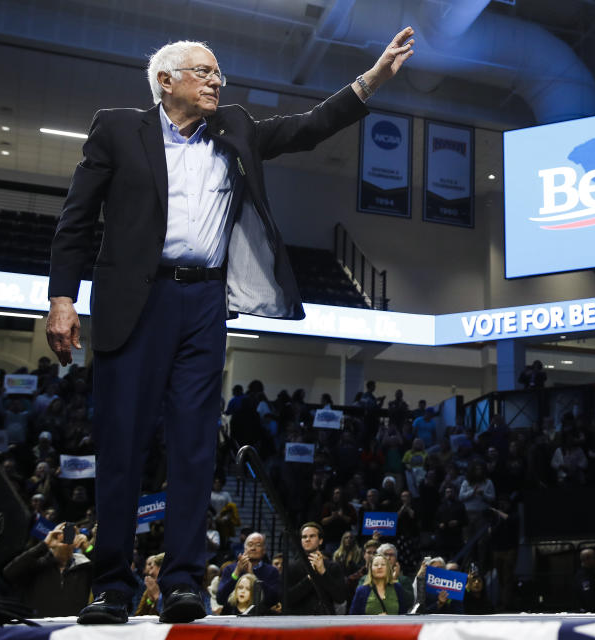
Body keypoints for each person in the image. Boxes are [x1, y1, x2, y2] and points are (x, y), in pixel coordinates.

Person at [53, 30, 416, 625]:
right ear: (166, 82)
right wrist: (62, 298)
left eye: (218, 72)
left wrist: (372, 80)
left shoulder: (237, 127)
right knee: (121, 446)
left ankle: (182, 584)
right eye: (203, 71)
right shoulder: (118, 128)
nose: (216, 80)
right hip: (134, 303)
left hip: (202, 306)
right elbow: (76, 219)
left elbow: (310, 126)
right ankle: (112, 586)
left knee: (195, 448)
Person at [2, 523, 92, 617]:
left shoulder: (85, 566)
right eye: (60, 533)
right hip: (40, 627)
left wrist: (88, 549)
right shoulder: (36, 564)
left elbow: (104, 573)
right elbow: (9, 573)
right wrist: (44, 545)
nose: (64, 536)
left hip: (73, 628)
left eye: (70, 534)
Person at [284, 522, 346, 615]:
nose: (307, 539)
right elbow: (286, 600)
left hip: (325, 620)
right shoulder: (291, 567)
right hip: (298, 621)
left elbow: (340, 598)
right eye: (304, 537)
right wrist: (310, 578)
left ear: (320, 540)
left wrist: (323, 573)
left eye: (312, 536)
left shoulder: (333, 567)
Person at [216, 532, 280, 611]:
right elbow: (220, 599)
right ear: (245, 549)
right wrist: (236, 572)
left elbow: (273, 600)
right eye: (250, 544)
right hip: (231, 617)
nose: (253, 548)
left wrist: (252, 576)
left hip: (261, 618)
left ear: (264, 550)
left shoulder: (272, 571)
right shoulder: (229, 569)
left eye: (258, 545)